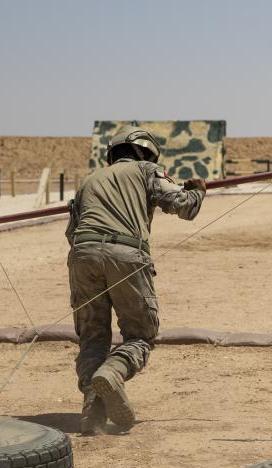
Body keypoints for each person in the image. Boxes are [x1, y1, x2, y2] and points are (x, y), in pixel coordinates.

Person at [64, 130, 207, 434]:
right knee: (140, 336)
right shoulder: (147, 171)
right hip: (126, 256)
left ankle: (94, 405)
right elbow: (185, 206)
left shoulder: (89, 180)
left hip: (82, 256)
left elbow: (70, 233)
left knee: (92, 339)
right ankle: (113, 373)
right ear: (148, 154)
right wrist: (197, 191)